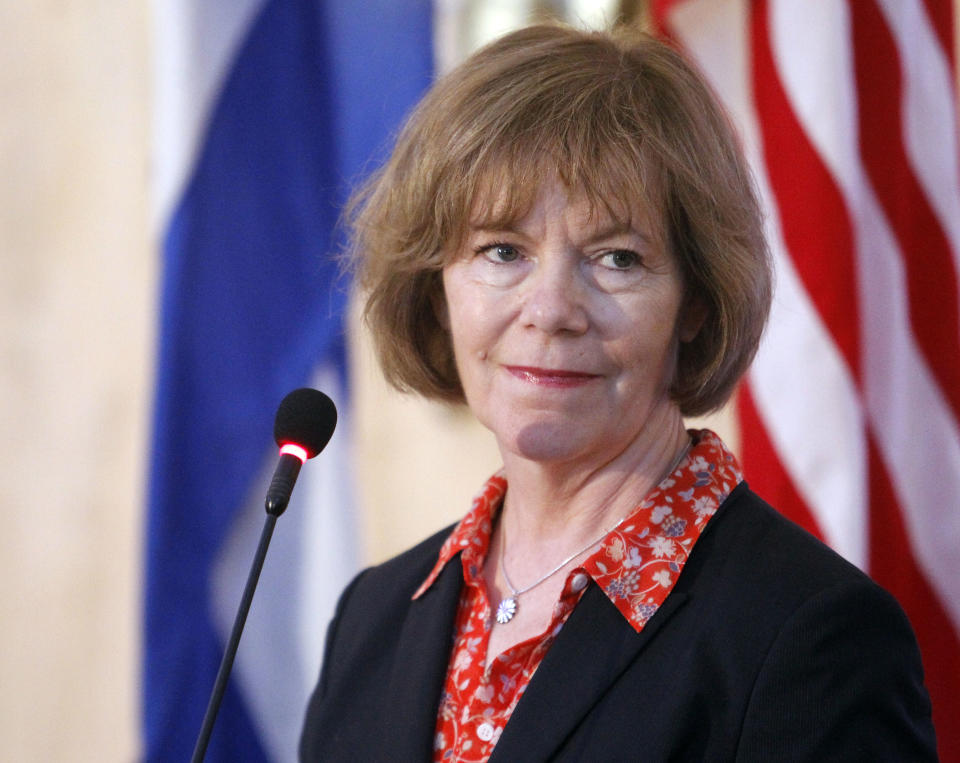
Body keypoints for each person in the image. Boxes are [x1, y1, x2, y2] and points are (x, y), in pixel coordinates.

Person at [300, 24, 936, 761]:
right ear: (436, 283)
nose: (551, 309)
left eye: (616, 258)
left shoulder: (813, 638)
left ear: (696, 300)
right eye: (502, 250)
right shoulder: (373, 616)